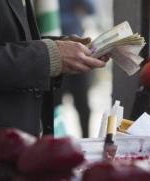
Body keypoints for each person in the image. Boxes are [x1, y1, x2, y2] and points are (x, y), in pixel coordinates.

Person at [0, 0, 110, 137]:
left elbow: (18, 38)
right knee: (60, 106)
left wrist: (57, 45)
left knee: (83, 105)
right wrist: (51, 53)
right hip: (4, 138)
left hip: (20, 136)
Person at [54, 0, 97, 138]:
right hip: (56, 54)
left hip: (78, 53)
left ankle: (86, 138)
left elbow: (91, 9)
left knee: (83, 105)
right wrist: (73, 16)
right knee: (55, 105)